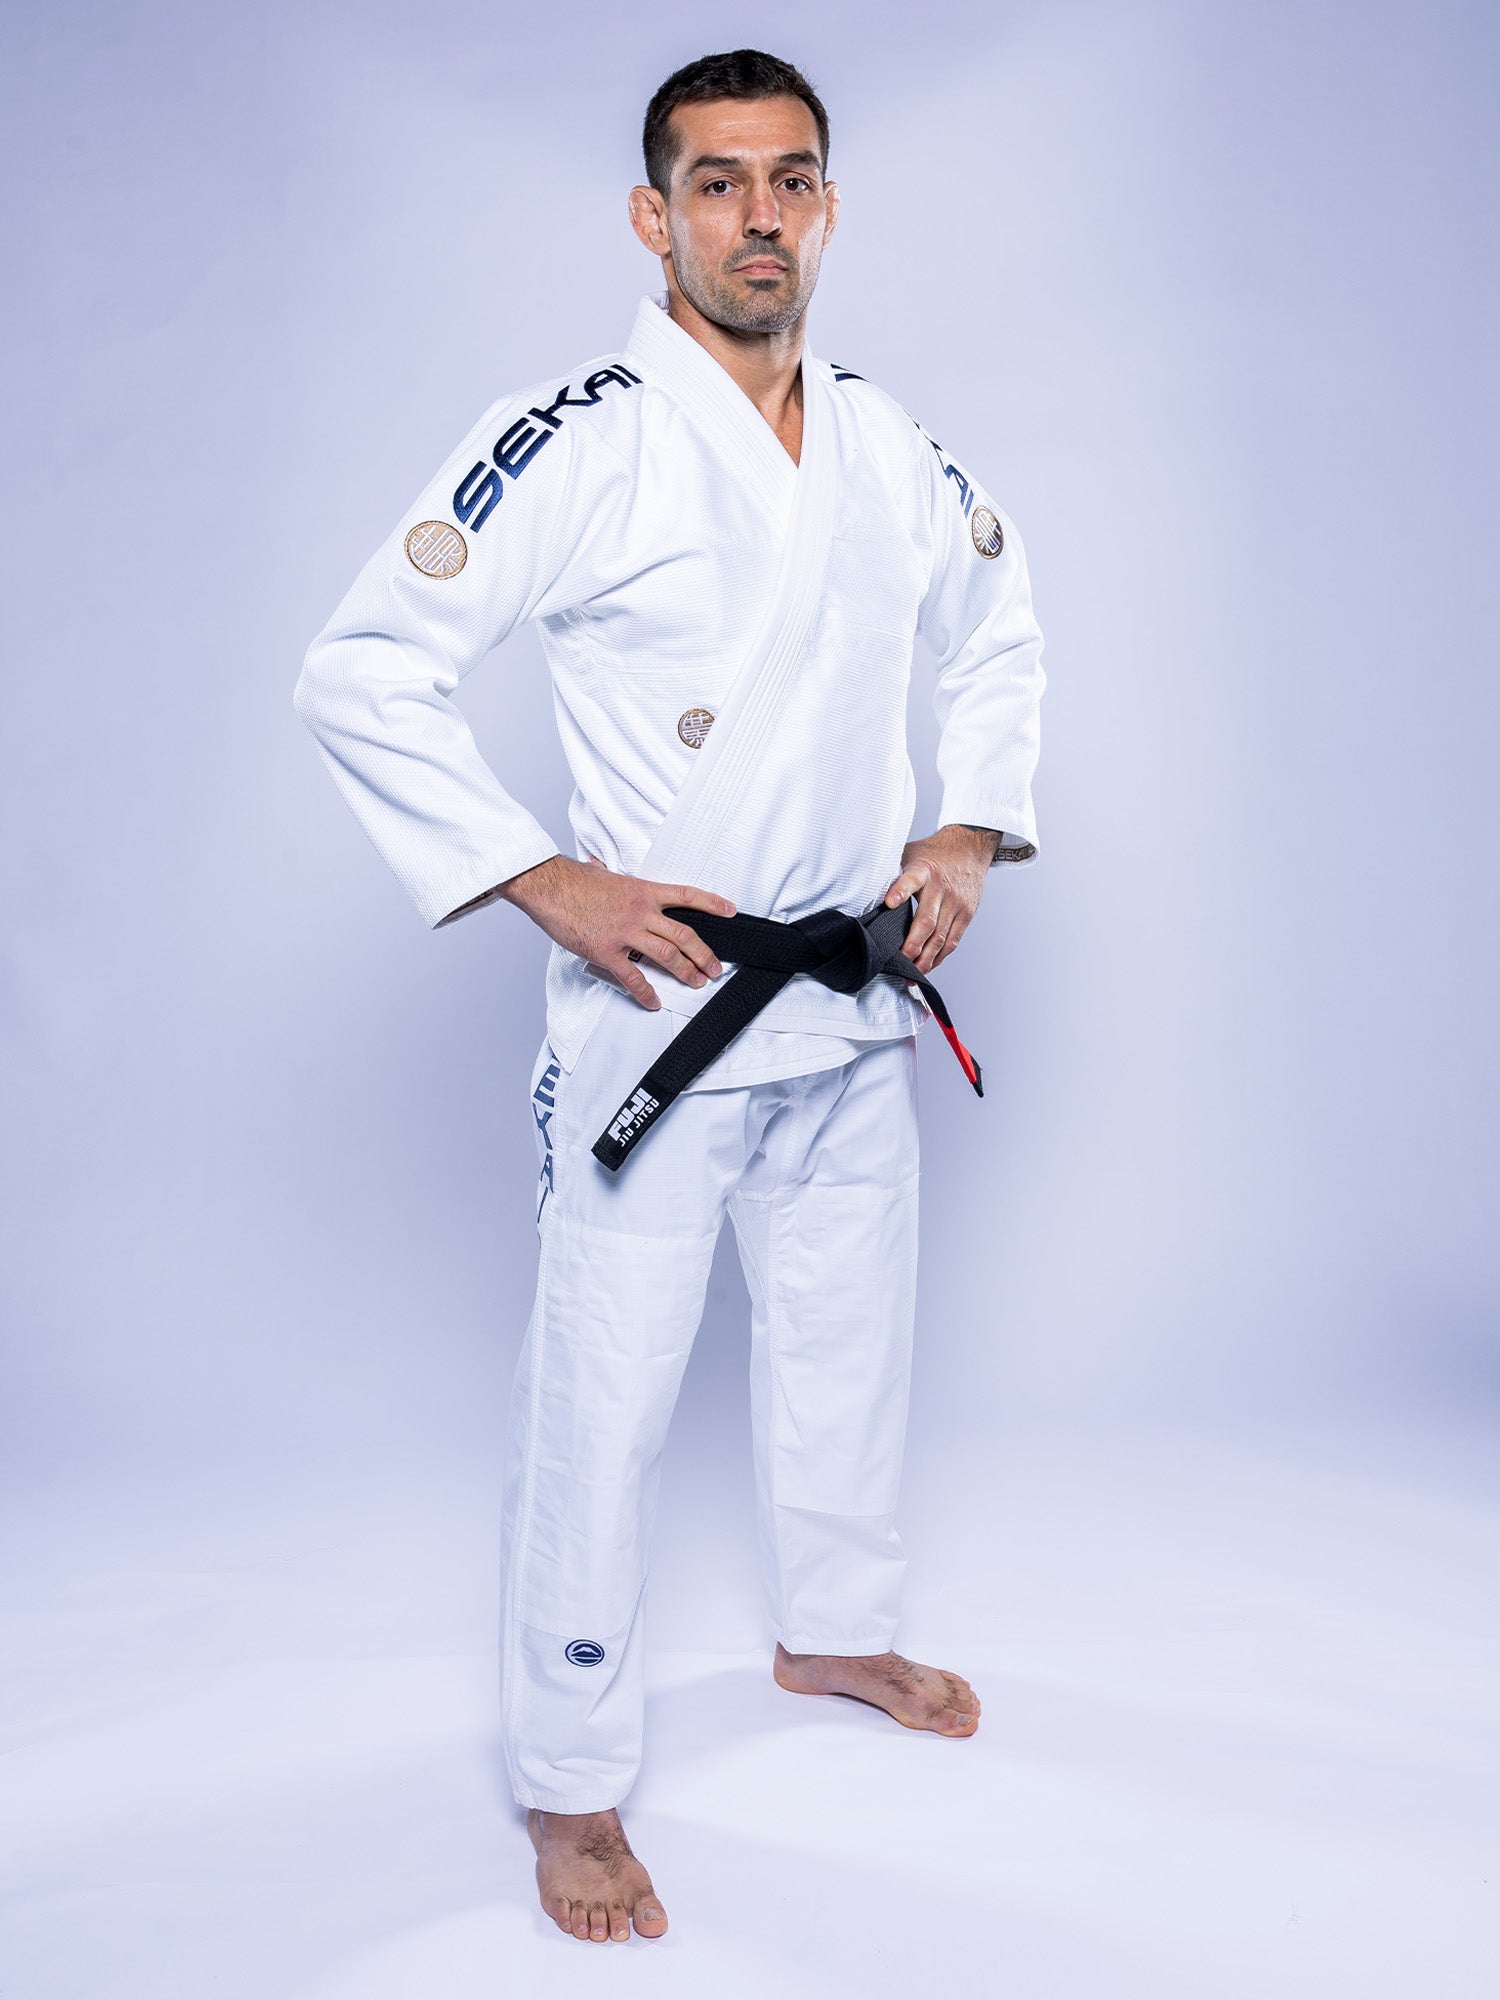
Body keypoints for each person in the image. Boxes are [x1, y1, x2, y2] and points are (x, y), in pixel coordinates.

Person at [295, 47, 1044, 1946]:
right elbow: (362, 668)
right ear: (655, 218)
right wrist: (544, 878)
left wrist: (963, 831)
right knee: (602, 1404)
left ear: (831, 206)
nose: (760, 217)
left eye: (791, 179)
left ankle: (838, 1635)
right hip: (664, 1011)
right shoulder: (579, 433)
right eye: (717, 184)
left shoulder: (886, 441)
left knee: (852, 1334)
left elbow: (1001, 615)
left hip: (855, 993)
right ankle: (569, 1782)